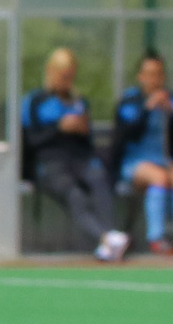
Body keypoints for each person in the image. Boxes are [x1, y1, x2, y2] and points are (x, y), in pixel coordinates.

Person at [22, 48, 129, 261]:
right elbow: (30, 140)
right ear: (51, 72)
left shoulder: (80, 102)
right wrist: (59, 127)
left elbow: (88, 143)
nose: (67, 81)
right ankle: (107, 239)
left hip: (79, 158)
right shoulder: (35, 101)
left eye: (71, 76)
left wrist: (82, 130)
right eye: (63, 75)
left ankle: (110, 241)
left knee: (99, 180)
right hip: (50, 162)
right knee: (75, 195)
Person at [112, 52, 173, 256]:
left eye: (158, 74)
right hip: (135, 161)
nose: (154, 79)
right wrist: (147, 109)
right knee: (160, 178)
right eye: (149, 74)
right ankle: (156, 237)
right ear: (140, 76)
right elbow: (126, 133)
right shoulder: (130, 100)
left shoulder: (171, 99)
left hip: (163, 159)